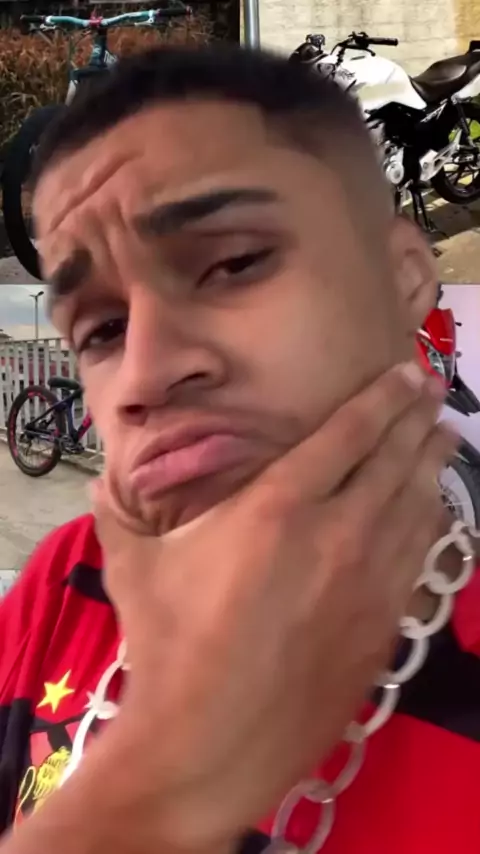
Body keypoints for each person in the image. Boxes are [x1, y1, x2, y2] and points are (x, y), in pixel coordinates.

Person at [0, 42, 478, 854]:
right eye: (103, 329)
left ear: (402, 277)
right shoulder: (67, 581)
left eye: (232, 264)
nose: (144, 374)